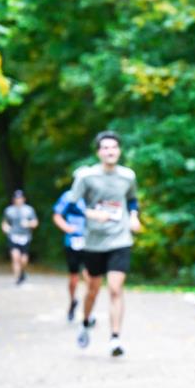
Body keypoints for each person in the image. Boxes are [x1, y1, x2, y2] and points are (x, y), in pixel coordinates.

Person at [58, 131, 141, 356]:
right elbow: (70, 205)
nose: (110, 151)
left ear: (119, 150)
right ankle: (85, 323)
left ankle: (115, 338)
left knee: (115, 288)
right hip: (94, 241)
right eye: (105, 148)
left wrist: (133, 216)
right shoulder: (87, 177)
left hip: (120, 238)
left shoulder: (127, 176)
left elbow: (133, 199)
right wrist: (92, 214)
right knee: (92, 289)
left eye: (113, 147)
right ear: (98, 152)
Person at [52, 190, 90, 322]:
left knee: (90, 276)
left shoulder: (94, 194)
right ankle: (73, 301)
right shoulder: (69, 196)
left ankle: (88, 308)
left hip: (91, 242)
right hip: (73, 241)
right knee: (74, 277)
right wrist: (67, 227)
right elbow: (57, 215)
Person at [1, 189, 38, 285]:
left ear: (24, 199)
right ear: (14, 199)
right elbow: (4, 223)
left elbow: (35, 223)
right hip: (13, 236)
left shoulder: (29, 210)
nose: (18, 200)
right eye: (17, 198)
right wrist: (6, 229)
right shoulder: (9, 210)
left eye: (20, 198)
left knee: (23, 260)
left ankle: (22, 272)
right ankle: (17, 278)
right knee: (15, 257)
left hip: (25, 237)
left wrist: (28, 224)